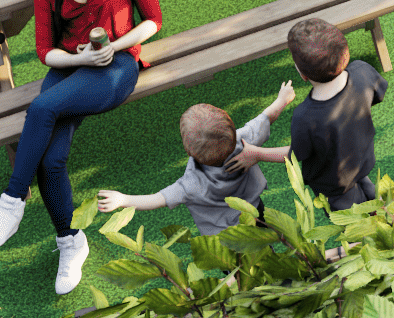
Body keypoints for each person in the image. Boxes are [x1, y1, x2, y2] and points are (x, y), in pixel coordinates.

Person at [0, 0, 164, 296]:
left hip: (118, 66)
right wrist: (79, 58)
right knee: (51, 159)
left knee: (41, 108)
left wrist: (112, 48)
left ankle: (11, 202)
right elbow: (45, 51)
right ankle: (70, 241)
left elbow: (154, 20)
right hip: (71, 65)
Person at [94, 87, 305, 237]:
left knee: (238, 267)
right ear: (230, 129)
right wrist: (282, 100)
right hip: (255, 211)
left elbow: (157, 199)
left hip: (223, 235)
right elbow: (265, 119)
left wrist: (123, 199)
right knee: (264, 241)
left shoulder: (192, 183)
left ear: (188, 149)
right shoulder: (243, 143)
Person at [277, 17, 387, 210]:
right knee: (378, 203)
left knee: (356, 229)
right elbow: (379, 94)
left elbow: (296, 154)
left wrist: (255, 153)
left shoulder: (305, 116)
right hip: (361, 164)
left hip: (334, 189)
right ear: (346, 53)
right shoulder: (363, 71)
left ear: (303, 74)